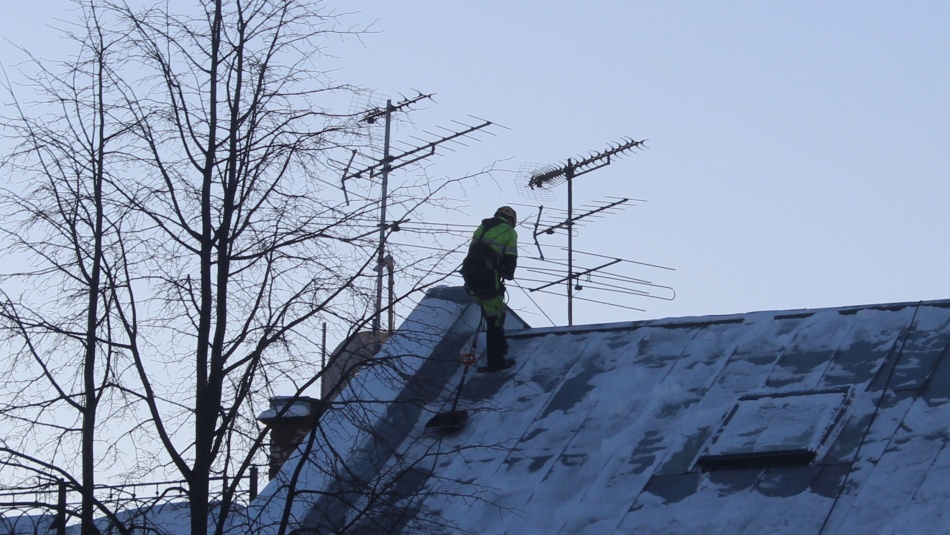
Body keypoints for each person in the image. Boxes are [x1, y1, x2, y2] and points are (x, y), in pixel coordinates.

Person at [469, 206, 518, 373]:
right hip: (488, 274)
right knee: (495, 318)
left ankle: (501, 347)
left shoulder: (482, 227)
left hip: (470, 273)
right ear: (511, 220)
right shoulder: (509, 231)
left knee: (489, 311)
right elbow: (510, 257)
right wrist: (507, 273)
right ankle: (495, 362)